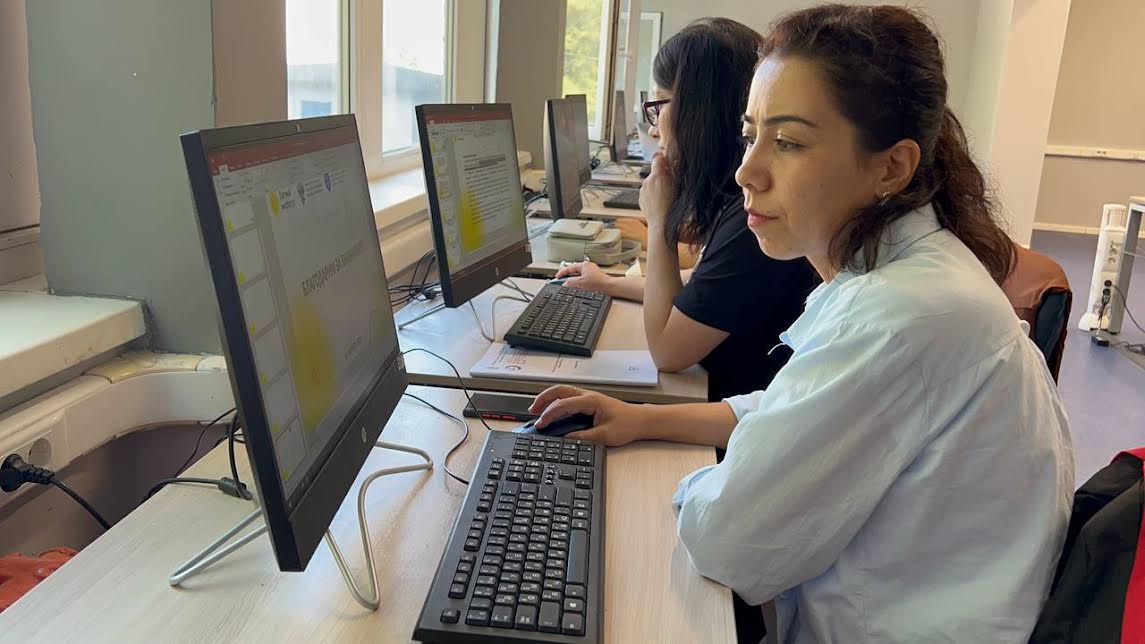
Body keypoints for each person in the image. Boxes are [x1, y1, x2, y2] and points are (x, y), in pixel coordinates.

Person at [530, 5, 1074, 642]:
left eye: (787, 143)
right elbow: (792, 404)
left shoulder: (902, 315)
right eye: (750, 135)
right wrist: (644, 420)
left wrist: (701, 481)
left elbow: (727, 542)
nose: (747, 171)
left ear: (891, 167)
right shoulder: (897, 272)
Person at [557, 17, 817, 401]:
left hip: (730, 416)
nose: (653, 129)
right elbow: (700, 283)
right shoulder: (736, 203)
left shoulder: (754, 220)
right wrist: (607, 283)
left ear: (699, 113)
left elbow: (667, 351)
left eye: (659, 105)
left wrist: (660, 222)